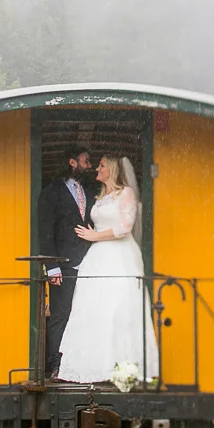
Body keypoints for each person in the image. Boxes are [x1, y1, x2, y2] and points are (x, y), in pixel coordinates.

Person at [56, 155, 159, 384]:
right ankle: (94, 366)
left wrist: (95, 235)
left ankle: (124, 366)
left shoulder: (126, 194)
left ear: (111, 169)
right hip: (97, 257)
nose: (97, 168)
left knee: (118, 309)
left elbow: (124, 227)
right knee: (94, 310)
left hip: (119, 257)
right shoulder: (101, 196)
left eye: (101, 165)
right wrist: (96, 232)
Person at [37, 145, 96, 378]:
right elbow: (45, 231)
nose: (89, 165)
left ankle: (82, 363)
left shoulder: (90, 189)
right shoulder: (51, 191)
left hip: (91, 263)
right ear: (72, 162)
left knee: (86, 313)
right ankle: (56, 366)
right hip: (62, 264)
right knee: (61, 315)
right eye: (85, 161)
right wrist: (52, 266)